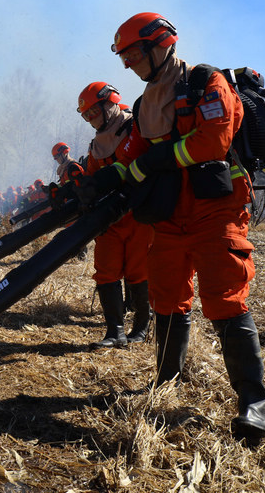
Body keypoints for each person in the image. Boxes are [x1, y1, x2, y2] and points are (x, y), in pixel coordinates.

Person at [76, 12, 265, 440]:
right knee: (166, 296)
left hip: (215, 208)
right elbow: (135, 154)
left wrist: (159, 159)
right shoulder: (147, 104)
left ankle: (255, 404)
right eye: (123, 57)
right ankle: (166, 381)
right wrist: (106, 178)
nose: (127, 64)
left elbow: (214, 139)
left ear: (159, 43)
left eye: (132, 54)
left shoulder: (206, 82)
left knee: (224, 297)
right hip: (167, 215)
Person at [76, 82, 154, 348]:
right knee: (106, 271)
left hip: (138, 213)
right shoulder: (96, 146)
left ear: (109, 103)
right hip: (110, 219)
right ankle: (115, 332)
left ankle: (142, 327)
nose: (90, 120)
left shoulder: (137, 127)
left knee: (138, 271)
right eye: (85, 116)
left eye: (93, 113)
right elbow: (92, 177)